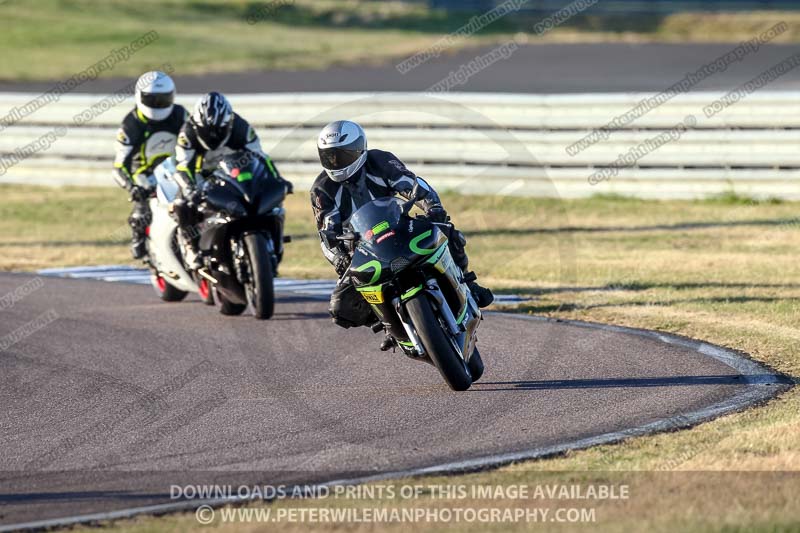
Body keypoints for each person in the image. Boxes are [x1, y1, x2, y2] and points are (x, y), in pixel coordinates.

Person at [310, 120, 494, 350]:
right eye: (329, 157)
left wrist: (432, 207)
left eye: (341, 155)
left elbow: (411, 184)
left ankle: (466, 282)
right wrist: (339, 258)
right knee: (340, 308)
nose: (335, 162)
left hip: (399, 228)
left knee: (447, 232)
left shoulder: (380, 160)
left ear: (359, 150)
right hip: (363, 249)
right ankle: (388, 323)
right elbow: (326, 233)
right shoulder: (322, 189)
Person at [172, 91, 291, 268]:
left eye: (219, 130)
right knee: (181, 202)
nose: (213, 135)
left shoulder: (241, 127)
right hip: (201, 174)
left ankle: (274, 241)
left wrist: (277, 178)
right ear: (197, 125)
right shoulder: (187, 133)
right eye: (208, 131)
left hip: (234, 171)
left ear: (228, 122)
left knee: (270, 197)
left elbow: (261, 157)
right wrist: (190, 189)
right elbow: (182, 167)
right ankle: (191, 247)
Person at [113, 71, 187, 259]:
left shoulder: (180, 115)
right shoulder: (131, 124)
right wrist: (132, 188)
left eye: (163, 100)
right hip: (144, 173)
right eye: (152, 100)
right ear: (140, 97)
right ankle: (139, 239)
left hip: (176, 169)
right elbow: (119, 167)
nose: (158, 105)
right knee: (142, 209)